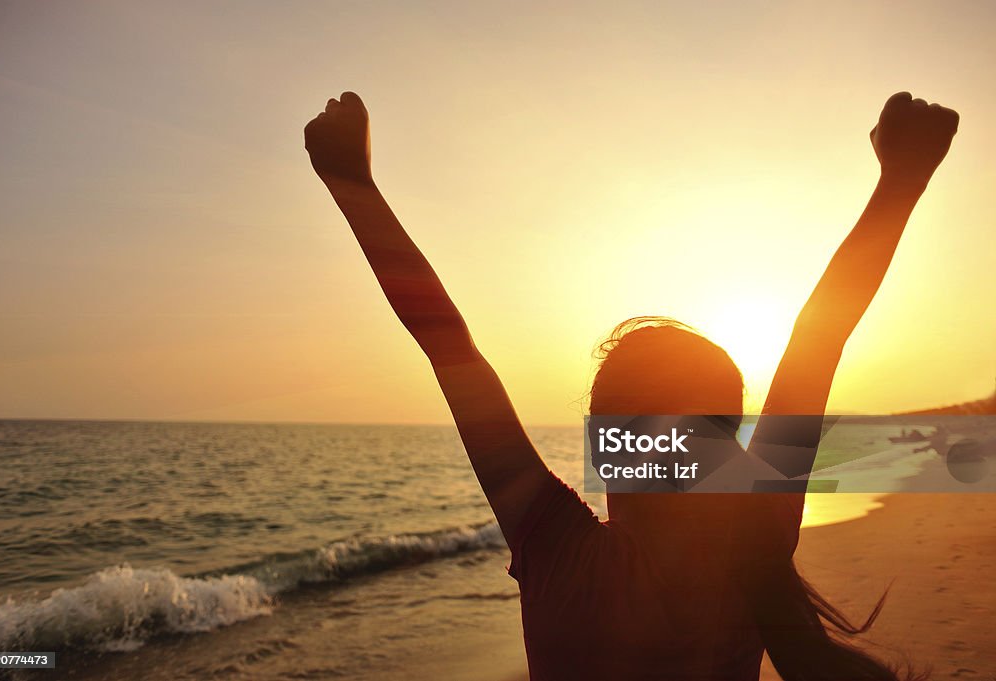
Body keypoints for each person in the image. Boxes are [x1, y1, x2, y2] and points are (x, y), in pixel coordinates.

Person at [303, 91, 958, 680]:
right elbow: (821, 335)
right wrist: (900, 180)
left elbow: (449, 347)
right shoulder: (759, 535)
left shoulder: (560, 547)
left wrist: (352, 185)